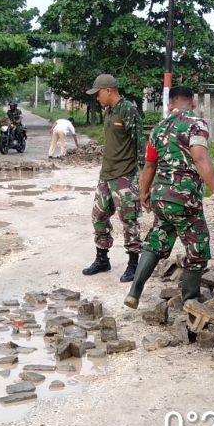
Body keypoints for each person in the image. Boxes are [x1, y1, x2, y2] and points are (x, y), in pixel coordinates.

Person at [124, 86, 214, 315]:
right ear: (193, 103)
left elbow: (149, 165)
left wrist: (144, 193)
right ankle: (190, 300)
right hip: (184, 199)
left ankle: (134, 292)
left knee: (157, 240)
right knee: (198, 245)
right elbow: (200, 157)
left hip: (160, 197)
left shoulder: (158, 128)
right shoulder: (196, 124)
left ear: (170, 105)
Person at [82, 74, 143, 281]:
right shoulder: (109, 111)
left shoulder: (128, 109)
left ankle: (133, 264)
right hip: (106, 175)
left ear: (108, 90)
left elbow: (139, 143)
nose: (97, 97)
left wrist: (144, 178)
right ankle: (102, 259)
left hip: (124, 176)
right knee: (98, 217)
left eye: (98, 93)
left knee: (129, 220)